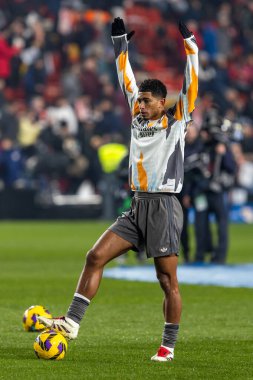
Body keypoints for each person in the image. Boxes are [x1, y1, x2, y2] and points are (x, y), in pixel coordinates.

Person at [38, 17, 199, 362]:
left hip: (163, 206)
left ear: (161, 102)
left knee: (166, 279)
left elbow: (191, 82)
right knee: (94, 257)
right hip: (137, 204)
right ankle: (71, 324)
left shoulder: (177, 120)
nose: (140, 105)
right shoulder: (137, 119)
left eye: (146, 101)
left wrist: (191, 48)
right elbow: (124, 80)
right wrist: (120, 45)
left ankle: (167, 347)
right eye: (139, 101)